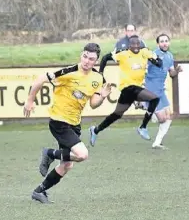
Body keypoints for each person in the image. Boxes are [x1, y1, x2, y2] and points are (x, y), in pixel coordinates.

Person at [24, 43, 112, 204]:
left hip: (74, 123)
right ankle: (49, 153)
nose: (86, 61)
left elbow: (93, 103)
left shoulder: (98, 78)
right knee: (82, 154)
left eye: (91, 59)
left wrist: (103, 96)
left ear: (96, 61)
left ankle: (39, 191)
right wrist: (30, 100)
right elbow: (40, 79)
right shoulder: (69, 72)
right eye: (84, 56)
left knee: (67, 165)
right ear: (81, 55)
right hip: (59, 121)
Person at [90, 35, 163, 145]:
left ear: (140, 44)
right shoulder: (123, 54)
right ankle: (143, 127)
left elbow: (159, 62)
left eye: (138, 44)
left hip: (135, 89)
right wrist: (100, 73)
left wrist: (155, 61)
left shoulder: (145, 52)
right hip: (127, 88)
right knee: (154, 98)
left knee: (117, 114)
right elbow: (105, 58)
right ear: (129, 46)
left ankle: (95, 130)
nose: (136, 46)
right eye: (133, 44)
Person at [139, 34, 182, 149]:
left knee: (169, 117)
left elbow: (171, 74)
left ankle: (157, 142)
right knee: (162, 118)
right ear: (158, 44)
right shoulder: (153, 55)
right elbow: (143, 68)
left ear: (169, 42)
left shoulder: (169, 56)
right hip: (151, 89)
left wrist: (177, 71)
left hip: (161, 89)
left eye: (166, 41)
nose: (164, 43)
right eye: (162, 41)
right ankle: (144, 104)